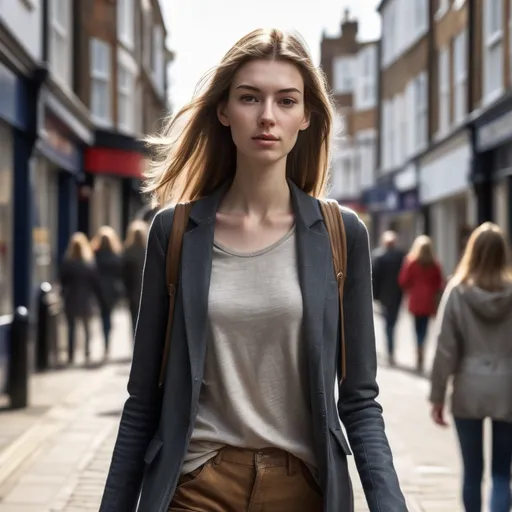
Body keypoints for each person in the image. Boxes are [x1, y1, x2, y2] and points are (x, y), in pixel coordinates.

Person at [99, 28, 406, 512]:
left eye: (286, 101)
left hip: (302, 490)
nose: (267, 116)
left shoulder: (342, 235)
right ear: (224, 110)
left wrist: (391, 505)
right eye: (249, 98)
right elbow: (142, 402)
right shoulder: (174, 232)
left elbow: (360, 401)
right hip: (195, 487)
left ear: (307, 116)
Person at [429, 222, 512, 512]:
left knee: (472, 472)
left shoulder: (458, 291)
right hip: (506, 388)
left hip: (467, 387)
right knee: (503, 473)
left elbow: (445, 349)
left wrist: (437, 395)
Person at [398, 235, 444, 372]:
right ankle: (421, 345)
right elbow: (439, 283)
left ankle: (418, 347)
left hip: (416, 299)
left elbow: (403, 280)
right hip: (429, 299)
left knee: (417, 326)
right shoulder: (434, 264)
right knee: (424, 327)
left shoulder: (411, 262)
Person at [59, 232, 104, 364]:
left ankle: (71, 354)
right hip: (86, 299)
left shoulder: (67, 264)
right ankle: (86, 352)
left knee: (71, 327)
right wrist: (100, 298)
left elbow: (62, 282)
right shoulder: (88, 265)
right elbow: (96, 283)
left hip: (71, 298)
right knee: (86, 327)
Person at [372, 230, 405, 366]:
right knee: (392, 323)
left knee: (388, 324)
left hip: (384, 296)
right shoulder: (401, 256)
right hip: (397, 294)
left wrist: (374, 295)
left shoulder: (379, 256)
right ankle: (390, 351)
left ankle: (389, 351)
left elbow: (374, 278)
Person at [91, 226, 124, 359]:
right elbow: (120, 273)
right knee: (108, 315)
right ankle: (107, 341)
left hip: (99, 289)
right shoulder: (115, 255)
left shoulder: (94, 255)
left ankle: (105, 340)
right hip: (112, 290)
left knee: (103, 314)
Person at [122, 220, 148, 335]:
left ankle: (135, 339)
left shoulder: (127, 252)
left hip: (132, 290)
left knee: (134, 318)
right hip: (146, 290)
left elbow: (124, 275)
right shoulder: (148, 250)